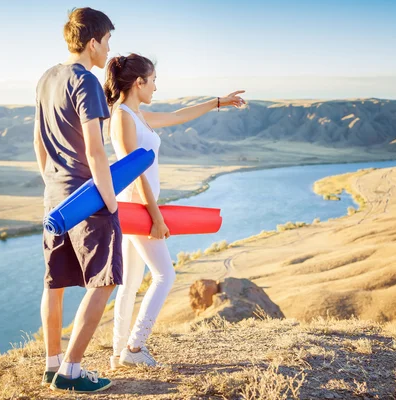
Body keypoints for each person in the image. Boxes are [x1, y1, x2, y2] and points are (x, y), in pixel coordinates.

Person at [103, 53, 245, 369]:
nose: (155, 87)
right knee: (165, 275)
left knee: (129, 282)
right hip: (139, 208)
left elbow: (180, 115)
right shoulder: (124, 117)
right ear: (138, 82)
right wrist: (155, 216)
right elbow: (134, 170)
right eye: (152, 81)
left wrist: (219, 102)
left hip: (135, 206)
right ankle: (135, 346)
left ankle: (118, 354)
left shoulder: (136, 114)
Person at [33, 7, 121, 393]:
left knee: (54, 284)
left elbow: (38, 142)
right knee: (103, 282)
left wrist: (52, 181)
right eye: (107, 42)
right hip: (87, 196)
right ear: (92, 43)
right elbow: (96, 151)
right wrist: (110, 202)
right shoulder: (85, 82)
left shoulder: (47, 78)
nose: (108, 51)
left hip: (54, 196)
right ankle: (71, 372)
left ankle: (52, 365)